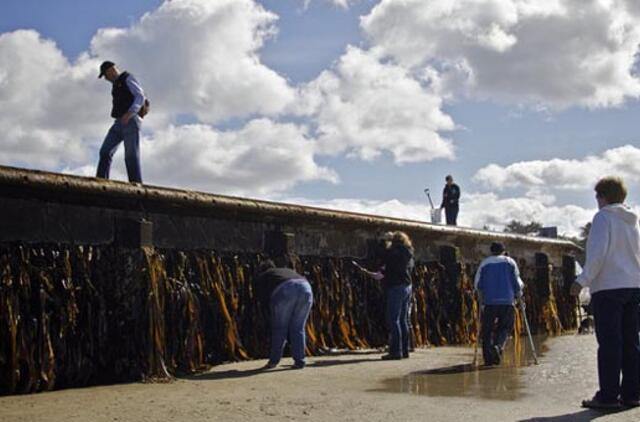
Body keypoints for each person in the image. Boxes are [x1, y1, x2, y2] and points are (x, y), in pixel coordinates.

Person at [569, 176, 640, 410]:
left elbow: (598, 254)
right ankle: (632, 394)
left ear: (604, 196)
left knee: (610, 343)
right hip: (634, 287)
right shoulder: (634, 221)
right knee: (631, 342)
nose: (597, 201)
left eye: (597, 197)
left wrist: (581, 281)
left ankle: (608, 396)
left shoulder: (603, 217)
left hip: (609, 288)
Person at [254, 255, 314, 369]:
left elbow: (262, 298)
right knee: (298, 328)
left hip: (285, 290)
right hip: (306, 288)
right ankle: (300, 361)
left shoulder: (264, 275)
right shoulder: (285, 270)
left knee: (280, 328)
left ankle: (274, 361)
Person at [96, 61, 146, 183]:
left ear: (112, 70)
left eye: (105, 75)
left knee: (131, 156)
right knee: (105, 151)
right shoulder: (115, 85)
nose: (106, 78)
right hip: (118, 122)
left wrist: (130, 113)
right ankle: (101, 181)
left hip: (130, 120)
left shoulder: (127, 78)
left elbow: (140, 96)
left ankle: (136, 185)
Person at [474, 242, 523, 365]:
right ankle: (498, 346)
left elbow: (478, 284)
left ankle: (488, 359)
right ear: (503, 250)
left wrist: (480, 298)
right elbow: (517, 282)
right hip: (507, 301)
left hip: (489, 302)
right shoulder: (510, 262)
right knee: (505, 327)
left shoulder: (485, 263)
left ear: (491, 251)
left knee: (487, 330)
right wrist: (519, 295)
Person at [380, 231, 415, 360]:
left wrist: (386, 242)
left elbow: (385, 258)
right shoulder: (408, 251)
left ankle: (396, 351)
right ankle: (405, 350)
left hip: (396, 286)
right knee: (403, 319)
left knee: (393, 319)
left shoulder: (394, 252)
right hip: (407, 286)